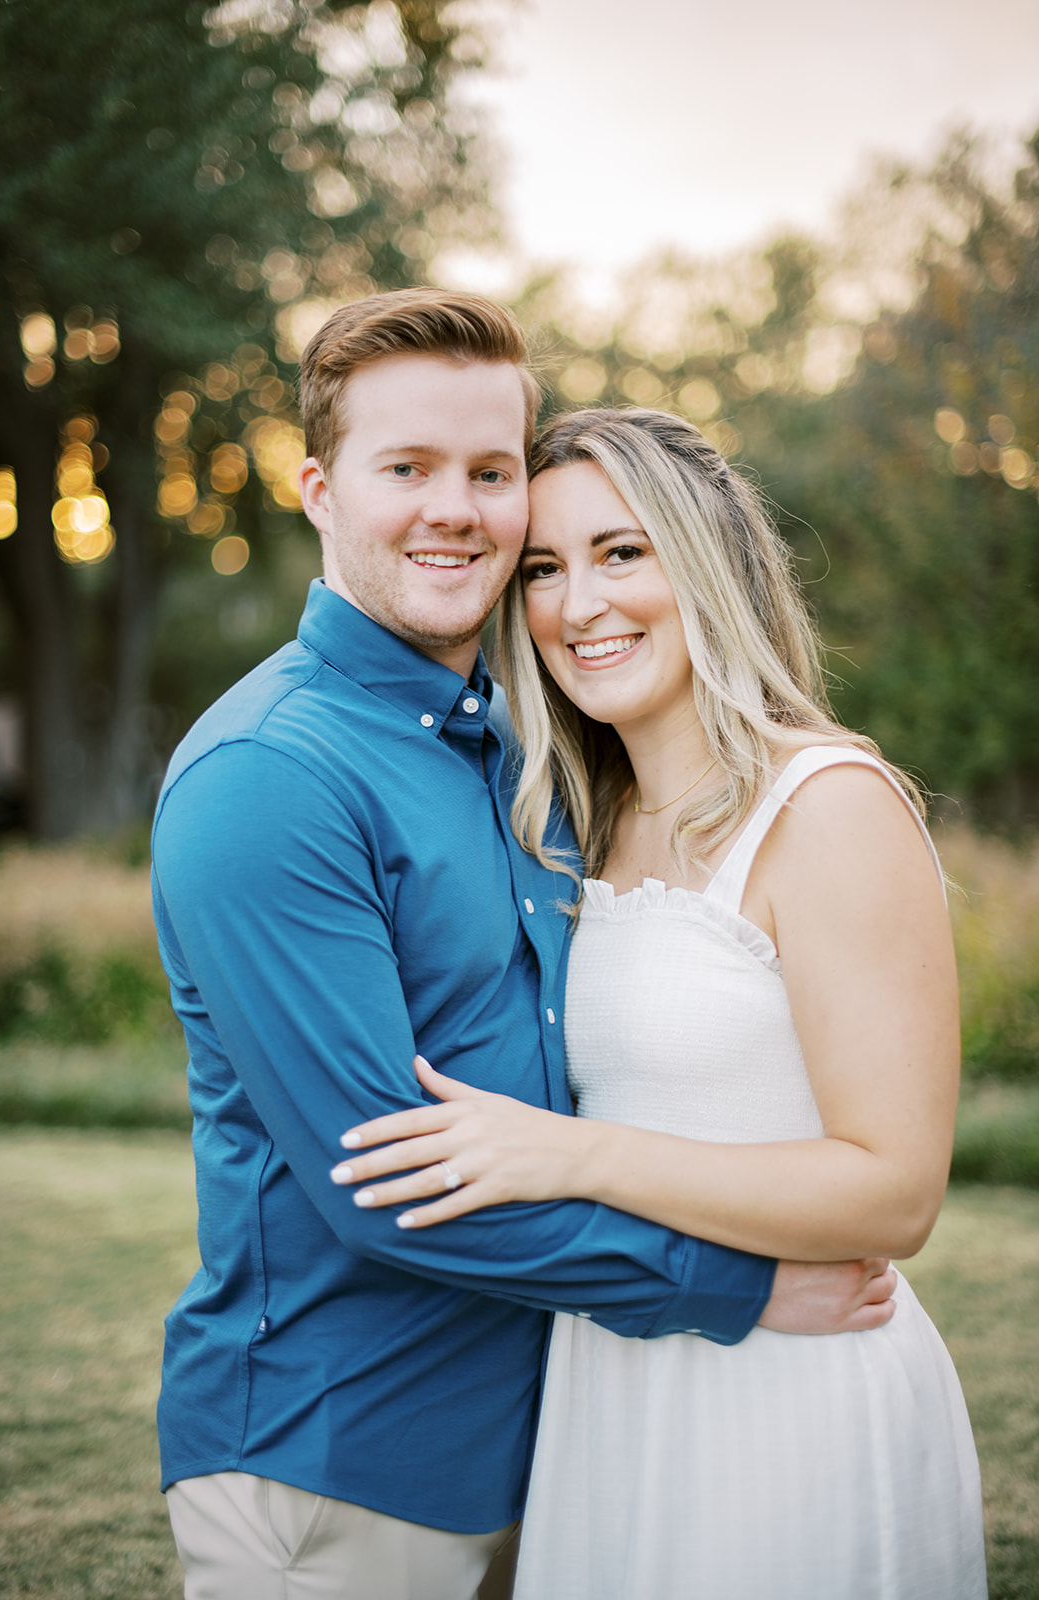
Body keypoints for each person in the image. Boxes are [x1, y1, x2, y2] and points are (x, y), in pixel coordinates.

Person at [152, 293, 896, 1600]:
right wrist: (730, 1286)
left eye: (491, 472)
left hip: (554, 1443)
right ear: (319, 489)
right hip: (336, 1461)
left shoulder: (511, 745)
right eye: (408, 469)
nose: (457, 509)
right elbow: (387, 1180)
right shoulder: (271, 775)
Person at [329, 406, 988, 1598]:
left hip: (795, 1393)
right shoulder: (569, 828)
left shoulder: (827, 806)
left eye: (621, 552)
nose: (579, 605)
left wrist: (574, 1155)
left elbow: (894, 1190)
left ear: (709, 563)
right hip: (614, 1385)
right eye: (543, 568)